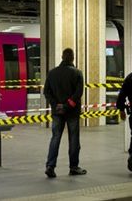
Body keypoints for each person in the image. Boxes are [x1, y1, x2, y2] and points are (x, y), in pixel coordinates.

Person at [43, 48, 86, 178]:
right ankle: (73, 167)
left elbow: (46, 92)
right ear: (73, 58)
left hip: (57, 112)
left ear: (62, 57)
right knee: (73, 139)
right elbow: (78, 93)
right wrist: (67, 105)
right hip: (72, 112)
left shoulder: (52, 73)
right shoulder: (77, 73)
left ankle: (50, 166)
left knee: (55, 137)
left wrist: (56, 105)